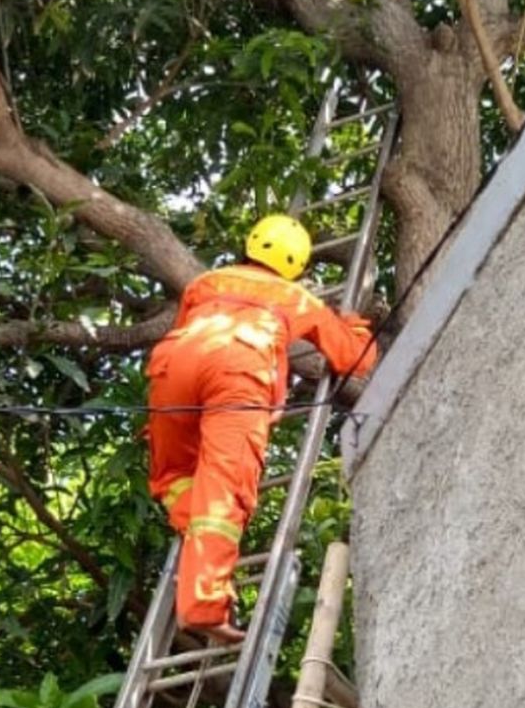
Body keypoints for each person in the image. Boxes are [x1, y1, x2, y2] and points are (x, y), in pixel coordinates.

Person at [145, 214, 379, 644]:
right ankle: (203, 606)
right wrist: (356, 325)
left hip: (173, 367)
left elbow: (186, 331)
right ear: (297, 265)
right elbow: (354, 357)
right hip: (239, 376)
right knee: (224, 492)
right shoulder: (298, 297)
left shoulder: (206, 283)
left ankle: (193, 529)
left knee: (173, 477)